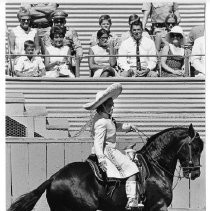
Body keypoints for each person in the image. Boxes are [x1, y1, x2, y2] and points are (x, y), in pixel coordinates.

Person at [83, 83, 143, 209]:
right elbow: (98, 142)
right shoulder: (101, 122)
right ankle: (132, 200)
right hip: (108, 151)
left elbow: (115, 126)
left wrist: (128, 126)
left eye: (112, 104)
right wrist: (101, 158)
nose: (113, 106)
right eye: (110, 105)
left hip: (109, 149)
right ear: (102, 106)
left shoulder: (106, 118)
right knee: (132, 168)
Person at [42, 10, 83, 74]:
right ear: (53, 22)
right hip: (54, 57)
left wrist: (78, 58)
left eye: (61, 21)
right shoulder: (48, 33)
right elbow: (48, 48)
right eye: (56, 22)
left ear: (64, 22)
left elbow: (78, 47)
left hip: (69, 56)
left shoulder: (71, 32)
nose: (59, 24)